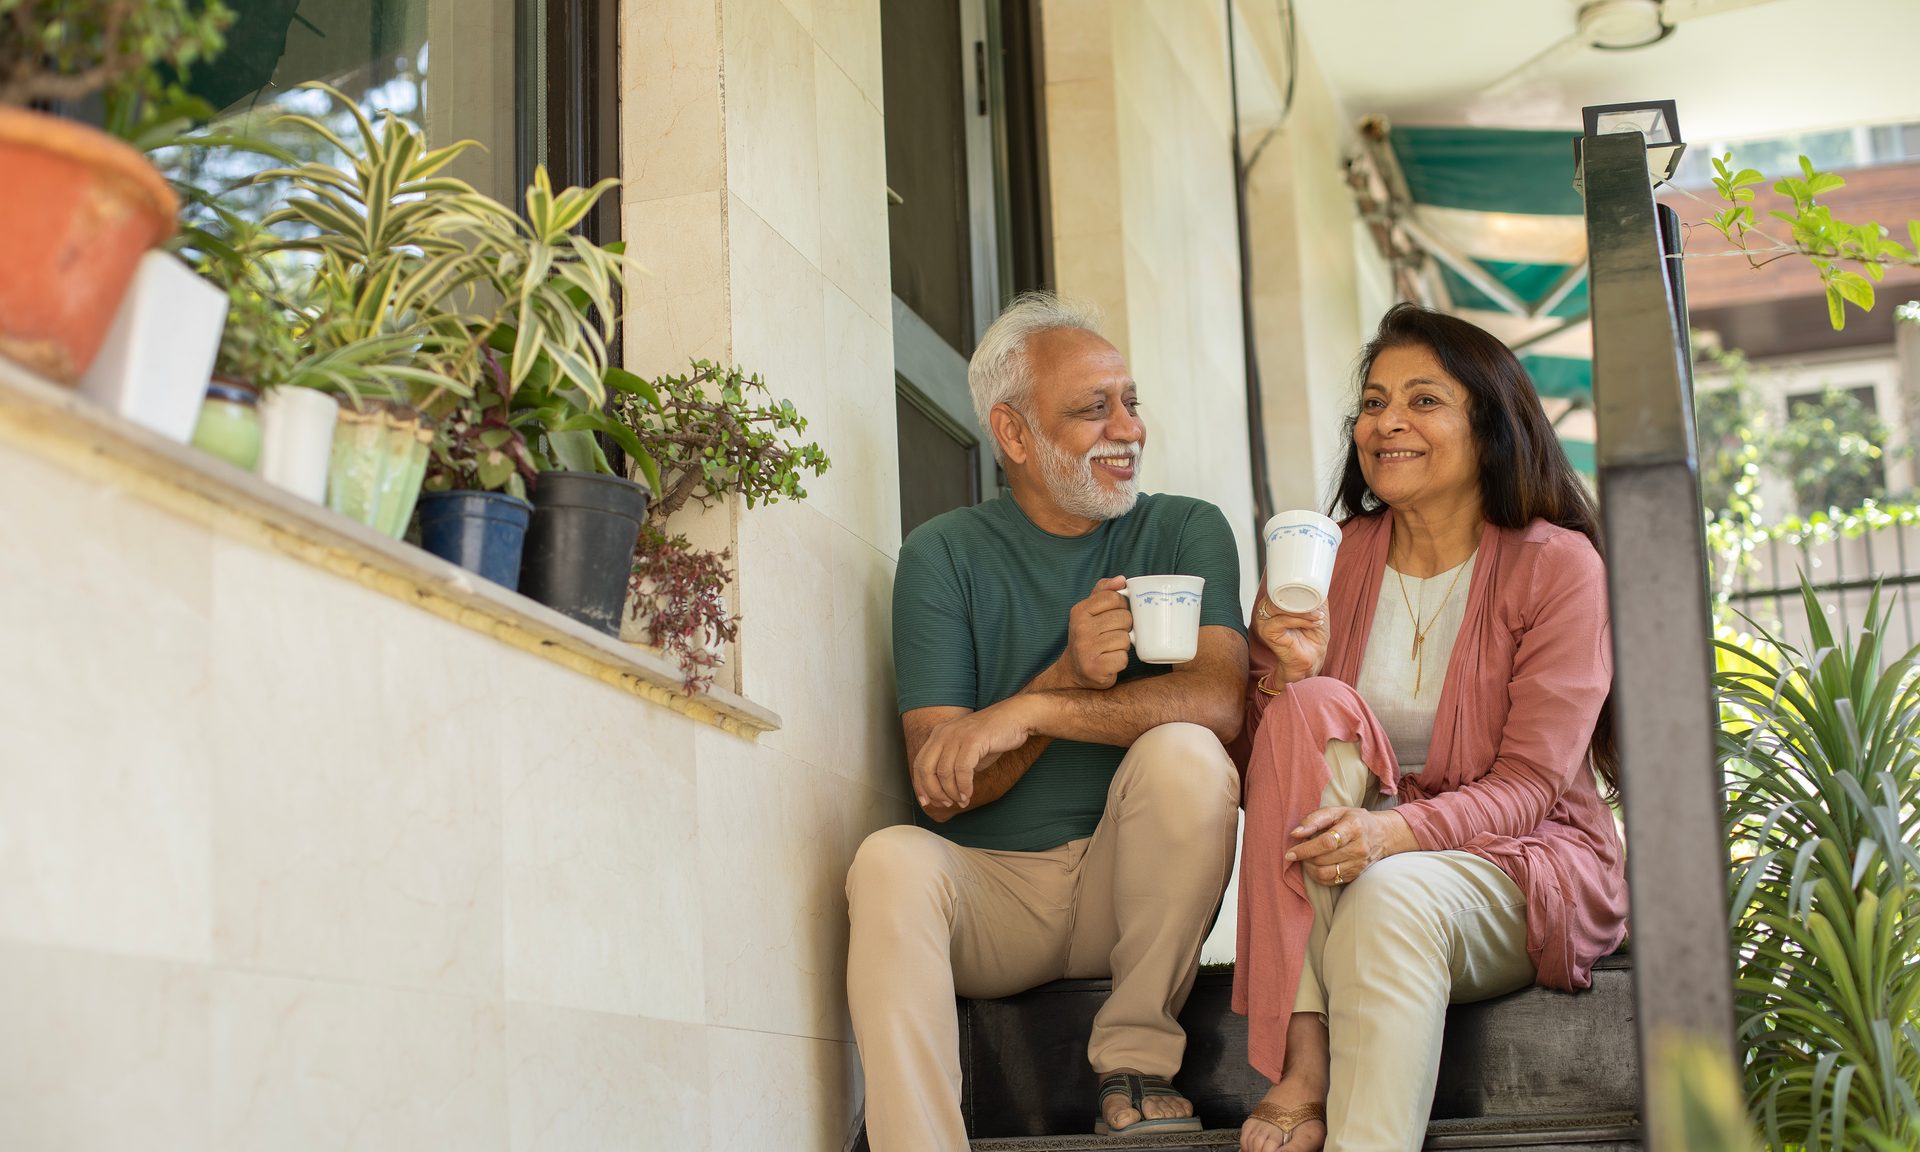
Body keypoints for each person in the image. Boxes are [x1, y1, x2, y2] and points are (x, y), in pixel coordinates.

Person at [846, 292, 1250, 1151]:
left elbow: (1221, 705)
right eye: (1093, 408)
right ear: (1015, 433)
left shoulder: (1186, 529)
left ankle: (1137, 1064)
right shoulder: (942, 555)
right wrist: (1066, 672)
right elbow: (942, 790)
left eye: (1131, 401)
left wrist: (1035, 708)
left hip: (1133, 889)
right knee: (889, 860)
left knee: (1186, 751)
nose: (1128, 428)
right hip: (998, 895)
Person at [1230, 304, 1629, 1152]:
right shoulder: (1333, 557)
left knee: (1392, 895)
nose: (1387, 424)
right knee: (1308, 709)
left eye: (1422, 401)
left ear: (1490, 424)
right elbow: (1272, 771)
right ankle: (1302, 1066)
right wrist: (1279, 679)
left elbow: (1530, 787)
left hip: (1525, 860)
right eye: (1373, 404)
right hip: (1361, 855)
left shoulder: (1555, 564)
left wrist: (1394, 833)